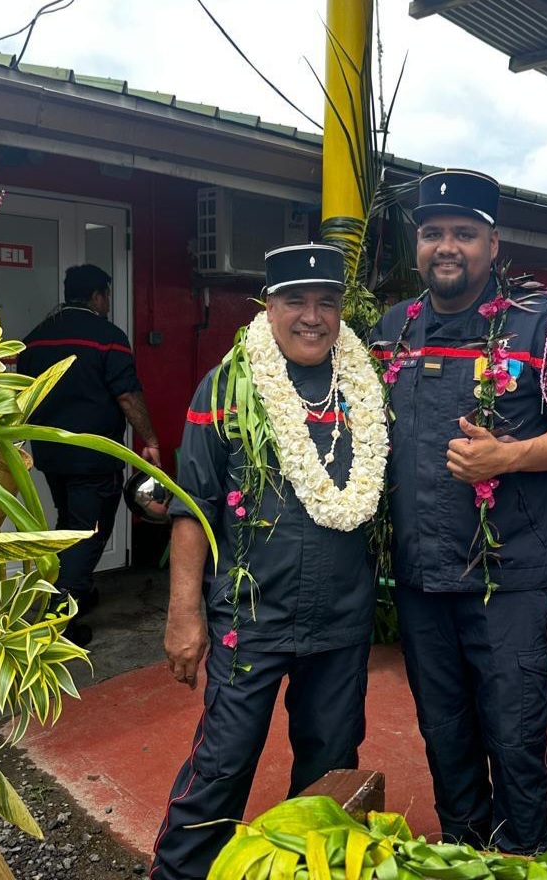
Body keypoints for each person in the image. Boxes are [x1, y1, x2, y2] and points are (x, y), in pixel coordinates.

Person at [373, 169, 547, 855]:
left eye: (464, 234)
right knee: (444, 732)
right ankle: (463, 853)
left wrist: (509, 456)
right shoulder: (393, 329)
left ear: (492, 244)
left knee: (515, 734)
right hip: (422, 577)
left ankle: (526, 859)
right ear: (418, 245)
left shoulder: (543, 323)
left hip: (510, 576)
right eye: (432, 233)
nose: (447, 247)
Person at [151, 244, 388, 880]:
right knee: (221, 768)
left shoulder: (367, 387)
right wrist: (183, 615)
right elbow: (192, 508)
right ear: (268, 306)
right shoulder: (226, 386)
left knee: (330, 772)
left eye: (326, 303)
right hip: (251, 619)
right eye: (295, 301)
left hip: (340, 621)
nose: (312, 316)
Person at [18, 264, 161, 647]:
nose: (108, 302)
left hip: (51, 455)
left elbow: (22, 395)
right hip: (94, 457)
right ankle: (58, 622)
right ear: (97, 296)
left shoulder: (36, 339)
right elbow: (127, 395)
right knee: (90, 532)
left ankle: (76, 590)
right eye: (107, 295)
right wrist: (150, 440)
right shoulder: (107, 337)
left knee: (70, 524)